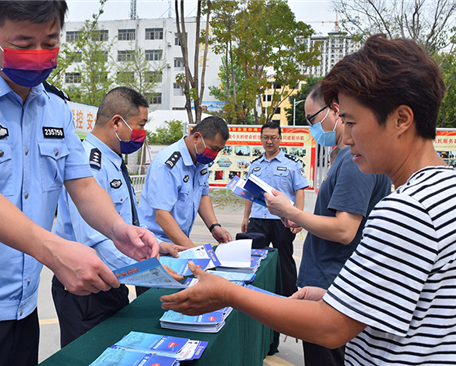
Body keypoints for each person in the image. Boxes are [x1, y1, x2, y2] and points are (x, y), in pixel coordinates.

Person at [161, 34, 456, 365]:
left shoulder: (406, 210)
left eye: (352, 122)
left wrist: (226, 293)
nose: (344, 135)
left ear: (401, 119)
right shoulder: (444, 192)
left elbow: (330, 328)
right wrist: (335, 297)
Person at [0, 2, 158, 365]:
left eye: (50, 42)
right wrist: (55, 251)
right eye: (23, 44)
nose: (38, 55)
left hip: (21, 308)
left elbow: (83, 186)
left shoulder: (56, 107)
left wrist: (119, 228)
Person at [52, 86, 185, 348]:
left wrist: (157, 246)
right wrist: (149, 270)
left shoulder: (112, 160)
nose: (142, 134)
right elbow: (94, 241)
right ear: (116, 122)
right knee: (87, 355)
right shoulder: (90, 165)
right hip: (86, 287)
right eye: (140, 125)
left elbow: (124, 223)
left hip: (113, 278)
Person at [272, 84, 390, 366]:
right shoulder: (345, 157)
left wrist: (293, 212)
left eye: (312, 119)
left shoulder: (353, 160)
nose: (312, 127)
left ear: (335, 111)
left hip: (333, 286)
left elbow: (344, 230)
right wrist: (301, 220)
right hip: (330, 284)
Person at [138, 116, 232, 248]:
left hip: (179, 240)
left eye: (218, 150)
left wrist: (214, 226)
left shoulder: (200, 159)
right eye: (213, 148)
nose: (214, 155)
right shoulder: (168, 164)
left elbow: (202, 196)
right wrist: (193, 250)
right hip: (155, 242)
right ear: (196, 137)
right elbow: (161, 215)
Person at [241, 122, 308, 297]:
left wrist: (298, 218)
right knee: (255, 260)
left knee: (284, 260)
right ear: (260, 139)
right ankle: (256, 296)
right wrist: (245, 218)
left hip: (282, 220)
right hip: (258, 220)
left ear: (280, 138)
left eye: (273, 137)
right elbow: (249, 193)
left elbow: (299, 192)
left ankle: (290, 299)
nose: (269, 141)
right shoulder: (255, 165)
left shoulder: (292, 164)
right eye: (265, 137)